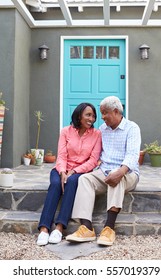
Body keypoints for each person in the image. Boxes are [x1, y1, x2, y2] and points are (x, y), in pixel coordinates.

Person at [66, 96, 141, 246]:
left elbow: (133, 156)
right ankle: (86, 228)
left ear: (115, 111)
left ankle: (109, 228)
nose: (102, 117)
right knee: (85, 179)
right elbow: (95, 154)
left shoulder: (132, 128)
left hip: (128, 173)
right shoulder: (101, 130)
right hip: (104, 171)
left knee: (116, 177)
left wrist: (120, 171)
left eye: (105, 113)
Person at [37, 103, 102, 246]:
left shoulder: (97, 134)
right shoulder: (66, 131)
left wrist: (73, 171)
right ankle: (44, 229)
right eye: (88, 115)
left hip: (81, 171)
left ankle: (59, 227)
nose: (92, 118)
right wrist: (62, 171)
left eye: (93, 115)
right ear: (79, 116)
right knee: (55, 184)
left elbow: (93, 160)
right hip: (61, 168)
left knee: (72, 182)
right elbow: (61, 154)